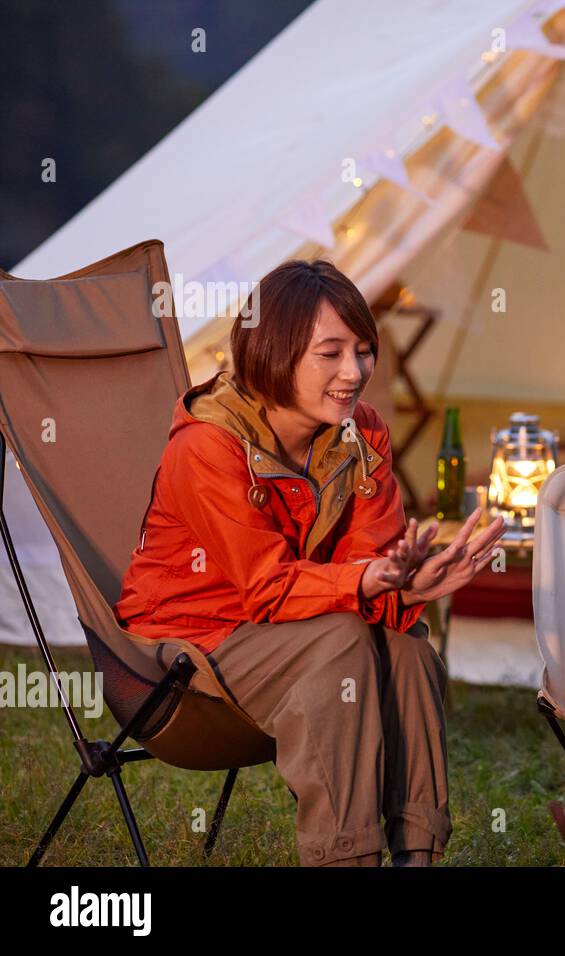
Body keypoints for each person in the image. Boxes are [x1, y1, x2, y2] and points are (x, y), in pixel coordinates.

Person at [115, 259, 505, 866]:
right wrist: (371, 582)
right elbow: (268, 588)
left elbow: (367, 570)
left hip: (293, 631)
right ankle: (345, 858)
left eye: (364, 350)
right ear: (275, 351)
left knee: (408, 651)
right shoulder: (208, 446)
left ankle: (416, 855)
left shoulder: (361, 433)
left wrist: (408, 585)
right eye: (330, 354)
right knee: (341, 638)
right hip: (183, 649)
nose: (355, 373)